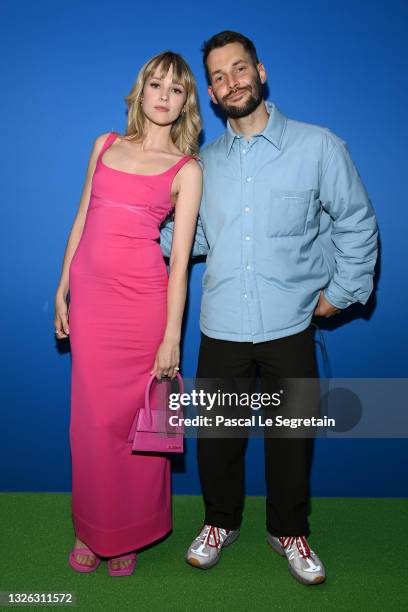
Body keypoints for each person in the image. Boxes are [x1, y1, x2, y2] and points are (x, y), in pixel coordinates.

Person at [160, 31, 378, 585]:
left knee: (291, 441)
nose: (230, 82)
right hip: (223, 324)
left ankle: (290, 530)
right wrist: (140, 222)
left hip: (290, 325)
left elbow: (356, 222)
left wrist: (342, 291)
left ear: (261, 71)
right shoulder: (200, 164)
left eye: (238, 69)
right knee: (217, 441)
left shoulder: (319, 146)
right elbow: (191, 239)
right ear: (209, 93)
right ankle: (219, 522)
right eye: (217, 76)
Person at [54, 51, 202, 576]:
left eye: (177, 89)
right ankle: (90, 529)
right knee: (92, 424)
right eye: (156, 85)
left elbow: (180, 264)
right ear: (140, 91)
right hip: (93, 303)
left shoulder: (187, 170)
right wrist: (62, 287)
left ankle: (129, 533)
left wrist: (171, 336)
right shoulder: (105, 145)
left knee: (134, 426)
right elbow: (80, 221)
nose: (164, 95)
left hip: (143, 304)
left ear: (187, 102)